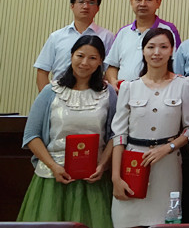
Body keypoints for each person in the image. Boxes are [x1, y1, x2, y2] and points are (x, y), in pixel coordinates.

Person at [18, 35, 117, 228]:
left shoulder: (108, 93)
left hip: (94, 180)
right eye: (80, 56)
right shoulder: (51, 91)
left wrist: (103, 164)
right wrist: (54, 167)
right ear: (71, 56)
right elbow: (31, 135)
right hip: (52, 178)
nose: (84, 63)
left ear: (100, 62)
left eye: (92, 58)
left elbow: (116, 135)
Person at [110, 28, 189, 228]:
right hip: (132, 165)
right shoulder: (129, 87)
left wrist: (169, 148)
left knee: (165, 223)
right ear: (143, 51)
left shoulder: (184, 84)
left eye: (163, 47)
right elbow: (119, 135)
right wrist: (115, 177)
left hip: (168, 166)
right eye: (151, 47)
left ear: (172, 50)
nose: (157, 52)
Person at [35, 0, 115, 91]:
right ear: (72, 6)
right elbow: (42, 71)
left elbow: (109, 71)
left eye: (91, 2)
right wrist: (48, 97)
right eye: (81, 2)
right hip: (59, 93)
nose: (86, 6)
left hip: (93, 95)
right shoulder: (56, 36)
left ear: (98, 8)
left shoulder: (107, 37)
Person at [106, 0, 182, 88]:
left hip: (158, 91)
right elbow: (112, 65)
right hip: (124, 92)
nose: (143, 4)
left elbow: (177, 65)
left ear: (158, 3)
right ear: (131, 2)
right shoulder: (123, 32)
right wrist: (113, 81)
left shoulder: (168, 30)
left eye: (148, 0)